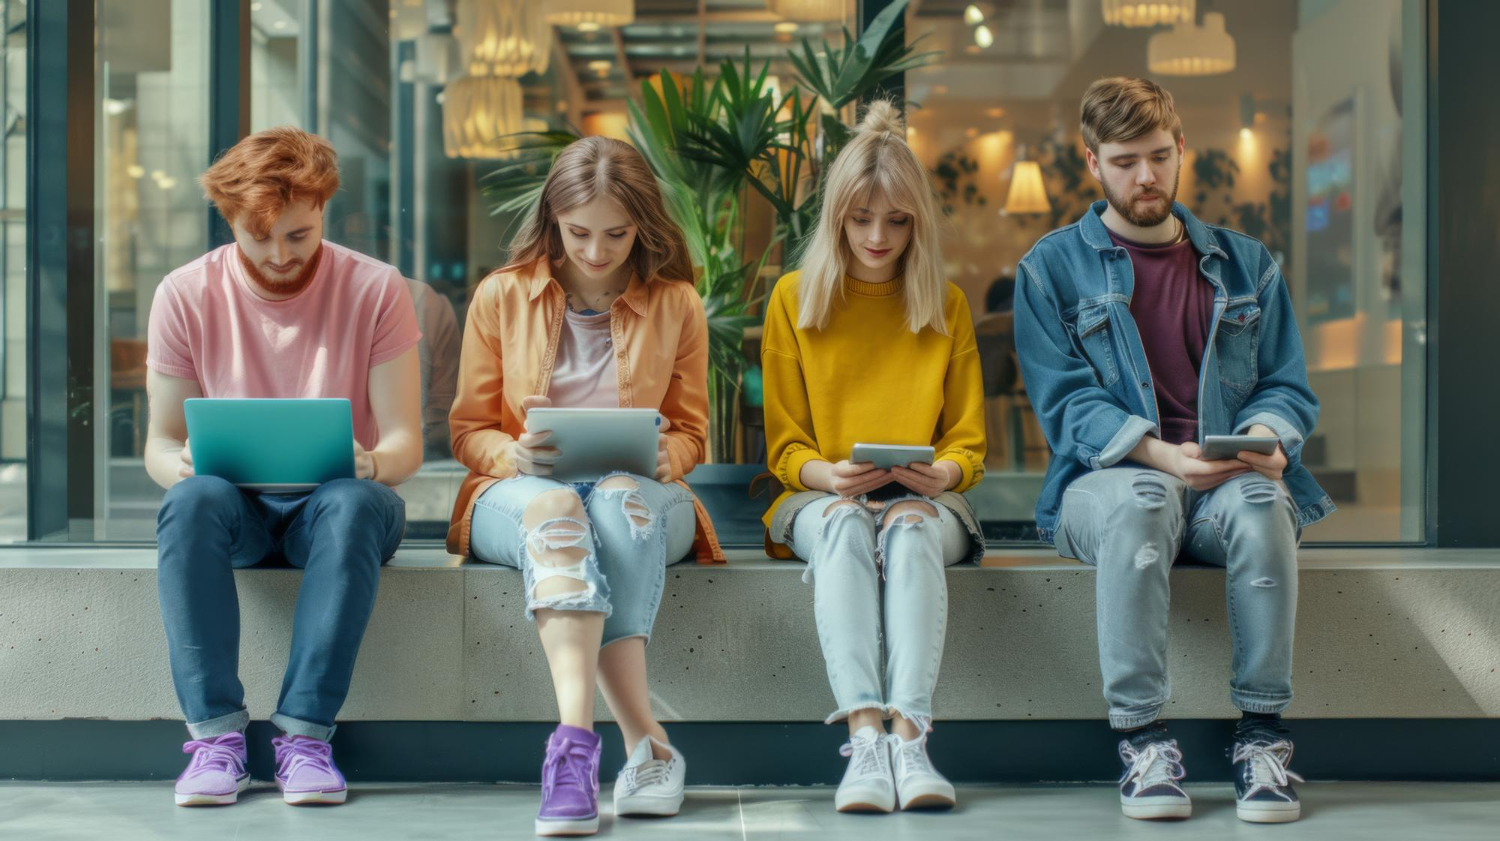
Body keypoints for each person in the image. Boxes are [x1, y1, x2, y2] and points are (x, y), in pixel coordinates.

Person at [1014, 77, 1333, 824]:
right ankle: (1142, 740)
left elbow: (1286, 386)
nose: (1147, 177)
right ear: (1092, 163)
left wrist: (1264, 439)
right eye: (1125, 161)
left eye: (1159, 156)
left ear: (1182, 149)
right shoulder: (1050, 268)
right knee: (1144, 497)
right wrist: (1162, 455)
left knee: (1262, 505)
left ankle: (1262, 739)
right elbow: (1067, 408)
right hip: (1109, 485)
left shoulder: (1246, 264)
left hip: (1224, 487)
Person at [447, 135, 724, 836]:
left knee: (619, 504)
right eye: (578, 233)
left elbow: (694, 432)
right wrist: (513, 453)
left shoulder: (678, 302)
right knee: (562, 507)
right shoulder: (501, 295)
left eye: (616, 234)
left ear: (643, 226)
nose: (596, 251)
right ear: (552, 221)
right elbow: (467, 431)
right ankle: (598, 746)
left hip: (638, 488)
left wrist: (670, 457)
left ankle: (627, 751)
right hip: (520, 492)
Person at [144, 127, 424, 806]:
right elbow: (158, 443)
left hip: (337, 507)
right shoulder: (184, 293)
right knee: (189, 501)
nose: (278, 255)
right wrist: (177, 467)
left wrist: (371, 461)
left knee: (356, 501)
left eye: (298, 235)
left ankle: (304, 737)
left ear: (324, 208)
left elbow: (406, 444)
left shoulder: (377, 289)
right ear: (229, 218)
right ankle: (216, 740)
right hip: (234, 512)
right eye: (258, 235)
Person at [760, 101, 987, 815]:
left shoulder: (944, 305)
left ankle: (910, 736)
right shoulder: (794, 300)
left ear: (917, 221)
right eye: (861, 219)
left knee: (911, 526)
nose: (878, 236)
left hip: (925, 498)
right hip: (823, 494)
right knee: (843, 525)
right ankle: (864, 738)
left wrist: (942, 475)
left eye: (896, 220)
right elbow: (785, 446)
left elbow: (968, 445)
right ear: (836, 218)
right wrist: (830, 478)